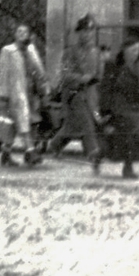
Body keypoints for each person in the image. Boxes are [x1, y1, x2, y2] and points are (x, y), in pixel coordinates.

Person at [53, 15, 103, 171]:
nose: (88, 34)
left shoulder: (97, 52)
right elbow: (64, 74)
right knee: (87, 124)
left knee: (73, 126)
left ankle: (55, 144)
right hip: (74, 94)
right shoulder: (70, 52)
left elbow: (100, 75)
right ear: (78, 33)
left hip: (91, 95)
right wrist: (82, 78)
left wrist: (96, 80)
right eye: (84, 31)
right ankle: (94, 154)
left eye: (90, 31)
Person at [0, 23, 47, 166]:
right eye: (19, 31)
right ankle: (30, 151)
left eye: (25, 32)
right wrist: (2, 95)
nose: (22, 34)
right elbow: (3, 74)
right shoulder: (8, 51)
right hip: (14, 93)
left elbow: (40, 71)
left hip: (30, 92)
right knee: (23, 122)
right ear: (15, 34)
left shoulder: (31, 50)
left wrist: (43, 83)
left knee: (14, 125)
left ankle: (5, 153)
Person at [104, 36, 139, 178]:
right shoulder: (113, 66)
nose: (136, 53)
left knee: (124, 139)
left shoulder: (137, 68)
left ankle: (100, 156)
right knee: (129, 137)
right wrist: (106, 111)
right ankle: (128, 168)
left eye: (138, 50)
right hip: (118, 108)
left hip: (132, 108)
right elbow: (106, 89)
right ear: (124, 50)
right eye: (133, 50)